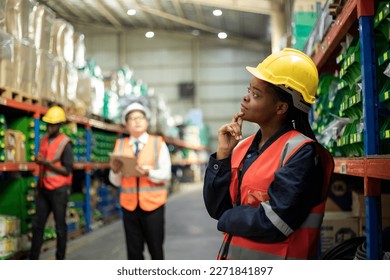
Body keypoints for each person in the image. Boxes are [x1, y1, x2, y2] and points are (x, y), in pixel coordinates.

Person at [203, 48, 334, 260]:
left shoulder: (302, 153)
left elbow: (275, 223)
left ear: (281, 107)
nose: (245, 98)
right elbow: (217, 207)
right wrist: (223, 156)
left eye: (256, 94)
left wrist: (228, 218)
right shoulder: (243, 148)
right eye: (249, 90)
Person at [109, 102, 171, 260]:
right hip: (129, 207)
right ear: (126, 123)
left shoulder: (158, 143)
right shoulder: (120, 145)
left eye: (140, 117)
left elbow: (166, 174)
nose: (137, 121)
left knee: (156, 250)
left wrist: (148, 172)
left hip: (153, 206)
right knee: (133, 253)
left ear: (147, 121)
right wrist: (115, 172)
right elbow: (116, 181)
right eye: (132, 118)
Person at [30, 106, 74, 260]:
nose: (50, 127)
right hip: (43, 189)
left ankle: (60, 259)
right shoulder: (44, 140)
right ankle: (33, 258)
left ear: (60, 125)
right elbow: (42, 164)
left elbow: (67, 170)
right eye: (48, 124)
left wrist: (47, 163)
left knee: (60, 227)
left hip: (59, 191)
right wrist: (38, 186)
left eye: (53, 124)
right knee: (37, 225)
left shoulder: (65, 144)